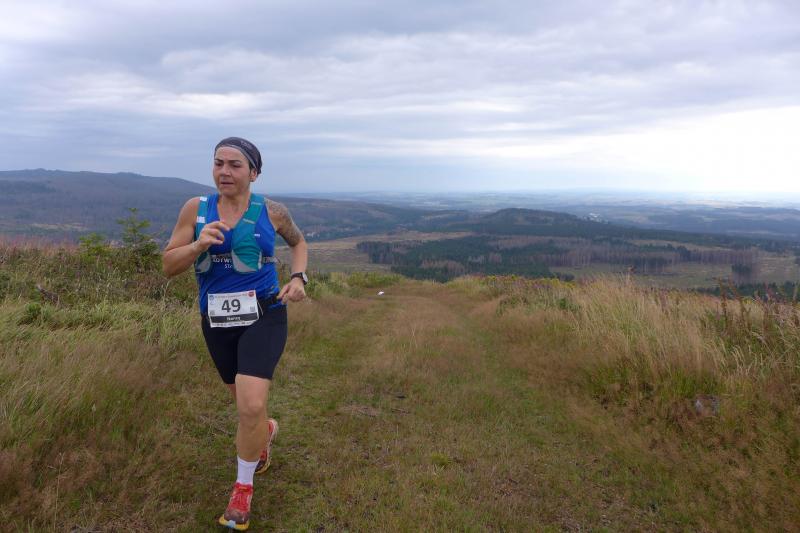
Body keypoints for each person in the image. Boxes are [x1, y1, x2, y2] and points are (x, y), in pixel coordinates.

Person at [162, 137, 308, 530]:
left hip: (265, 313)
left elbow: (299, 243)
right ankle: (266, 432)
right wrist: (197, 245)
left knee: (251, 405)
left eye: (235, 165)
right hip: (216, 321)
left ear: (254, 173)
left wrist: (298, 277)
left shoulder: (272, 212)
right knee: (244, 404)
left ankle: (242, 490)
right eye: (218, 163)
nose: (224, 171)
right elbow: (169, 266)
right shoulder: (196, 210)